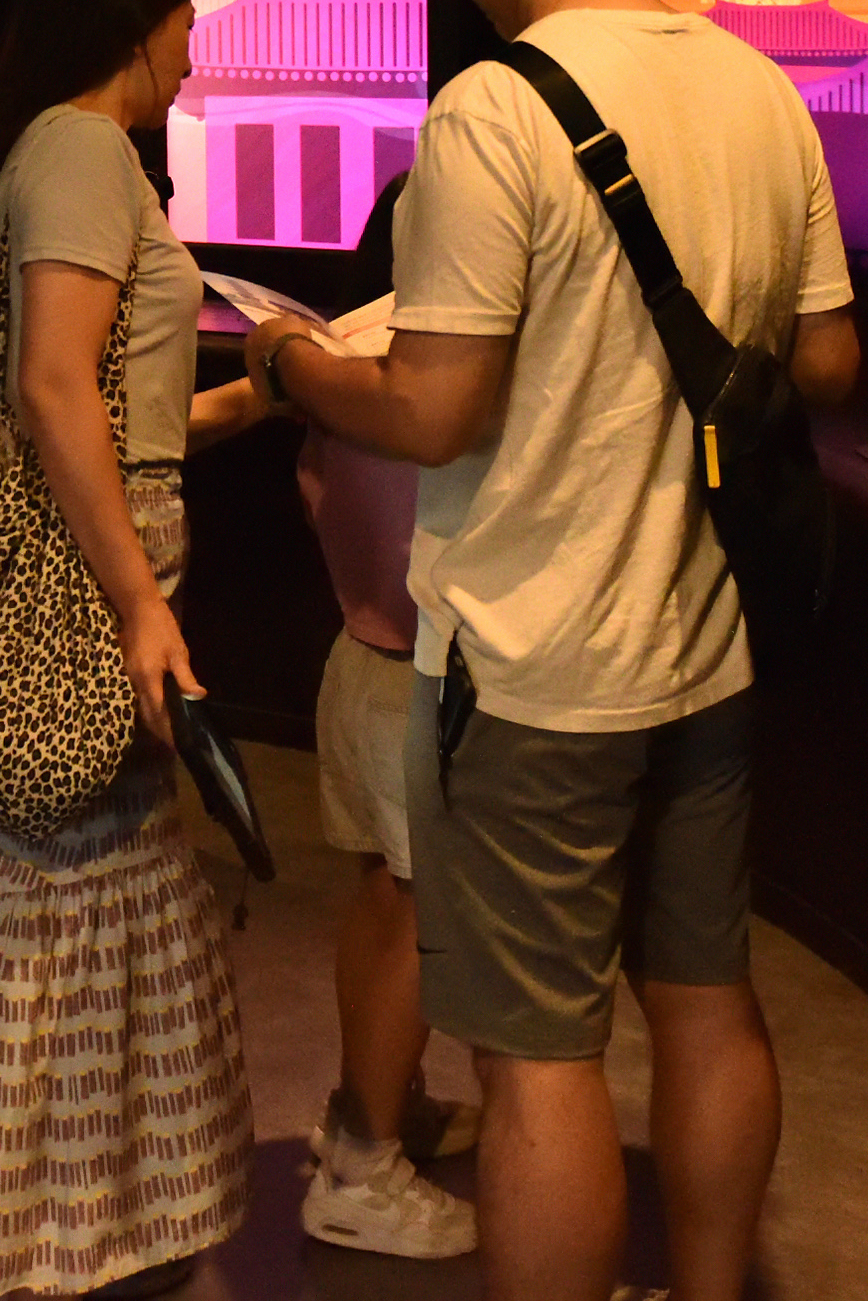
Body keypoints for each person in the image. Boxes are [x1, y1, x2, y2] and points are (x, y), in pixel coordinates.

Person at [245, 0, 860, 1301]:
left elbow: (434, 411)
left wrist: (294, 367)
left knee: (538, 1061)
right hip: (706, 650)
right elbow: (829, 360)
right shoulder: (759, 88)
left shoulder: (493, 111)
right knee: (708, 1005)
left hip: (530, 669)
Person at [0, 0, 277, 1301]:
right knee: (61, 910)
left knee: (77, 909)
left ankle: (62, 1229)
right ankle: (42, 1245)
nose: (194, 48)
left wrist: (261, 394)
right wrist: (136, 604)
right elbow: (54, 387)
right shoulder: (84, 148)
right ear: (135, 21)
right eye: (186, 18)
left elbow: (113, 415)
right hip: (84, 590)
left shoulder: (64, 152)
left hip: (89, 561)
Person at [288, 187, 483, 1261]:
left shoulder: (339, 353)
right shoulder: (445, 376)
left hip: (354, 660)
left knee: (379, 900)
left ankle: (368, 1104)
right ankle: (364, 1167)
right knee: (422, 917)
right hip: (426, 679)